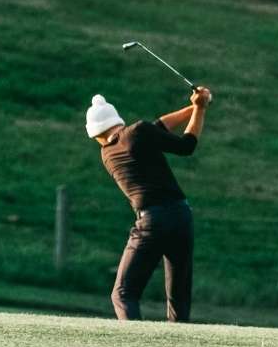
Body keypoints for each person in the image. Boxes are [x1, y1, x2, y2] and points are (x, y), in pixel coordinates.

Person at [85, 85, 212, 322]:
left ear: (95, 134)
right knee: (178, 297)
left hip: (152, 221)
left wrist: (195, 106)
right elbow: (186, 146)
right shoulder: (138, 133)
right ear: (117, 120)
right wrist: (200, 109)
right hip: (181, 215)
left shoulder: (108, 154)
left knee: (123, 294)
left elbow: (156, 127)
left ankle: (136, 346)